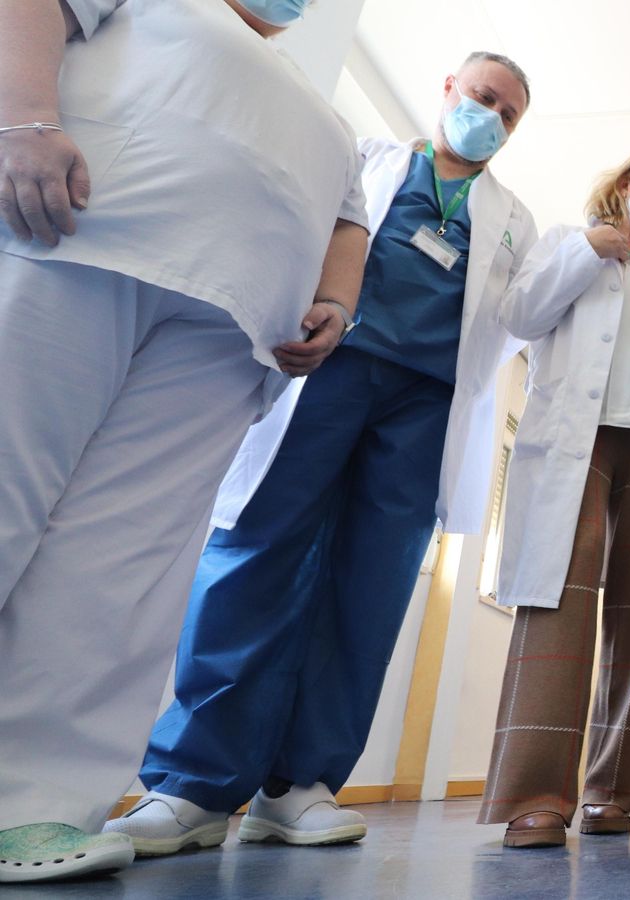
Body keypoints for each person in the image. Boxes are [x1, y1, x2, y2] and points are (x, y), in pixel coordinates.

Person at [107, 52, 538, 855]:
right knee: (256, 556)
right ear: (448, 87)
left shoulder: (513, 218)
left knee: (369, 589)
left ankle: (299, 787)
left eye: (508, 115)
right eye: (483, 97)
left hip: (425, 407)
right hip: (328, 371)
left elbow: (515, 321)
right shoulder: (365, 158)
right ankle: (192, 786)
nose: (491, 118)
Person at [0, 0, 367, 883]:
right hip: (76, 241)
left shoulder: (328, 116)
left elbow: (349, 224)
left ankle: (34, 807)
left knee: (121, 570)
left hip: (229, 330)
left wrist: (335, 304)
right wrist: (24, 122)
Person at [477, 149, 630, 850]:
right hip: (580, 436)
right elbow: (520, 315)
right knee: (561, 596)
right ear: (626, 184)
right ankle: (535, 797)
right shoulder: (565, 242)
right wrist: (587, 250)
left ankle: (612, 791)